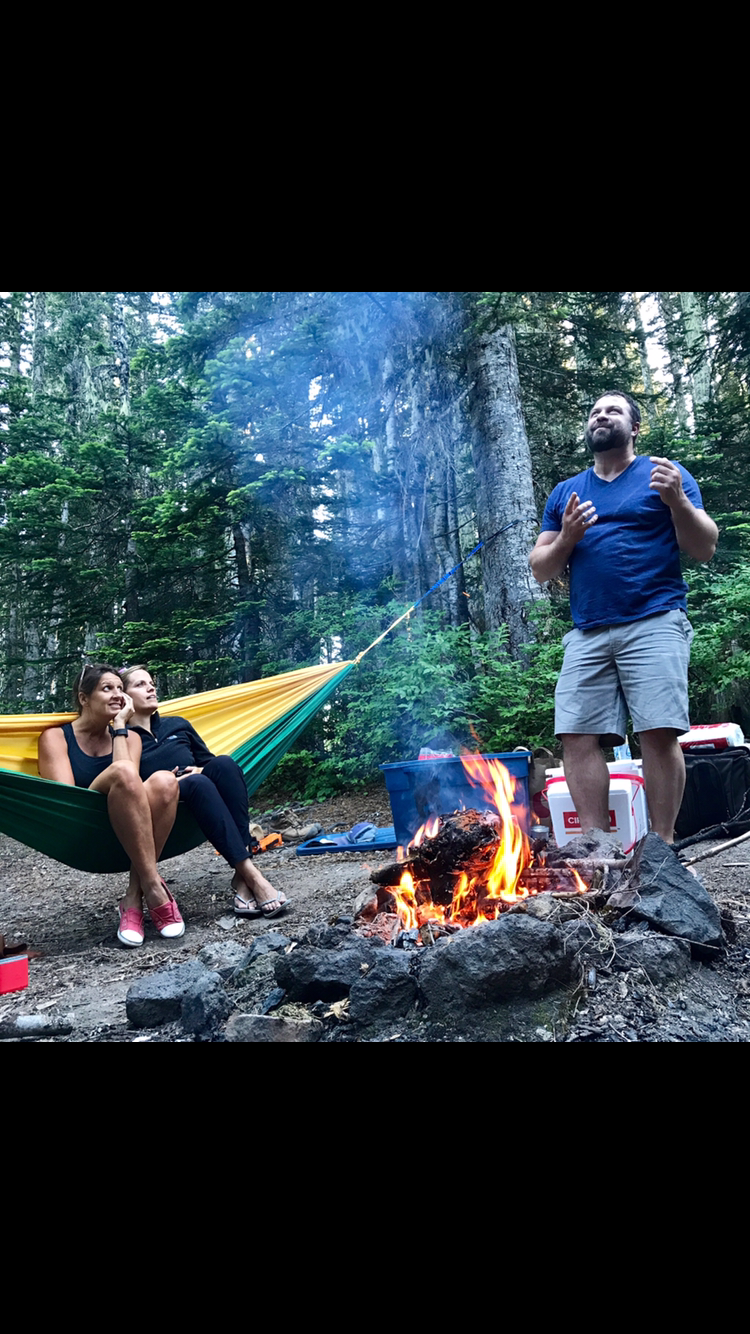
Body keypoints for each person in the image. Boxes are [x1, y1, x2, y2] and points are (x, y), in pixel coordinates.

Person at [529, 390, 719, 845]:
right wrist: (568, 536)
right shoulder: (565, 492)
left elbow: (703, 546)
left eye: (613, 411)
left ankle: (662, 845)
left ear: (634, 428)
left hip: (654, 620)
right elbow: (541, 568)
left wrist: (677, 502)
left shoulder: (663, 475)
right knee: (576, 735)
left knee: (657, 731)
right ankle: (596, 847)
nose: (601, 416)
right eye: (595, 412)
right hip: (588, 630)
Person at [120, 665, 290, 919]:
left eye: (152, 682)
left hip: (203, 802)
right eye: (140, 684)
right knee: (198, 783)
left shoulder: (177, 725)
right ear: (124, 698)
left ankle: (242, 879)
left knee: (225, 764)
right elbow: (127, 785)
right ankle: (253, 876)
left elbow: (210, 766)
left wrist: (198, 770)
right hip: (164, 812)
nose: (151, 687)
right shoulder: (122, 738)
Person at [37, 664, 185, 947]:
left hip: (130, 825)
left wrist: (119, 728)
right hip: (85, 824)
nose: (118, 695)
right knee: (124, 771)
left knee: (166, 781)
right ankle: (154, 886)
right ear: (84, 698)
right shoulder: (55, 737)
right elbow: (67, 801)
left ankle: (134, 895)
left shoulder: (131, 737)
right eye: (108, 689)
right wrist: (119, 730)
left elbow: (130, 786)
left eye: (120, 688)